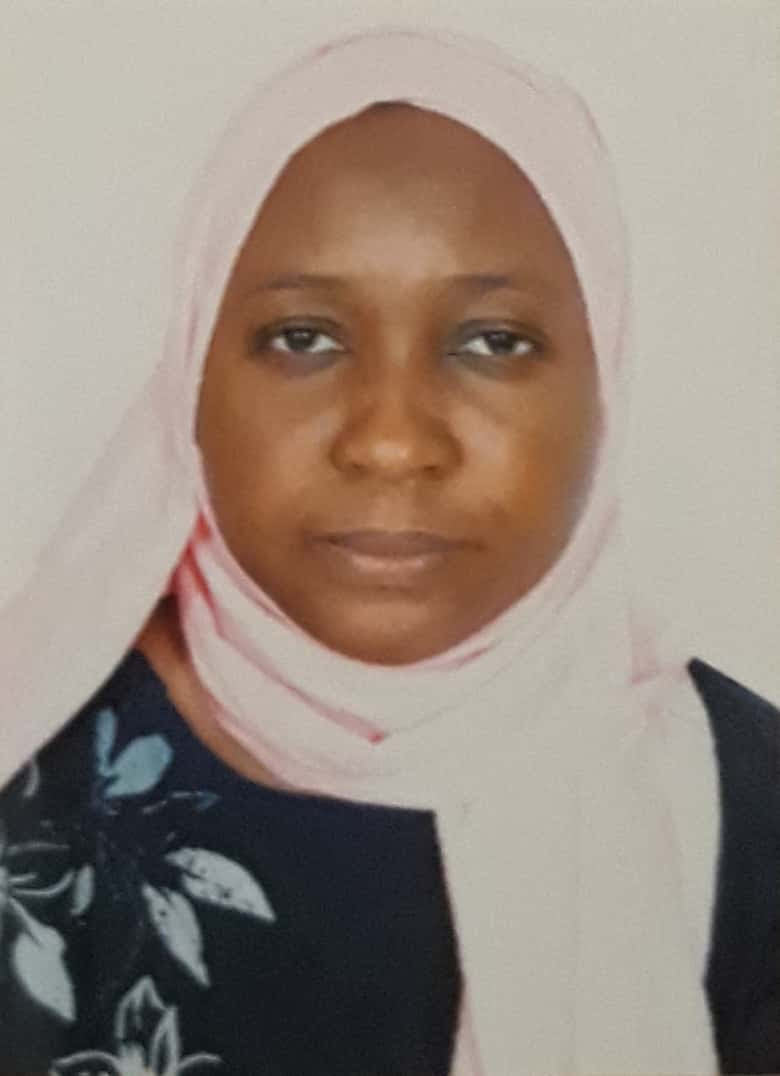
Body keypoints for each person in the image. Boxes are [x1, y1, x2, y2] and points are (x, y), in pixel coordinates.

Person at [0, 26, 778, 1076]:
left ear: (606, 385)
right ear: (191, 380)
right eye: (303, 337)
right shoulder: (32, 782)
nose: (393, 441)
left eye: (493, 341)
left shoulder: (749, 816)